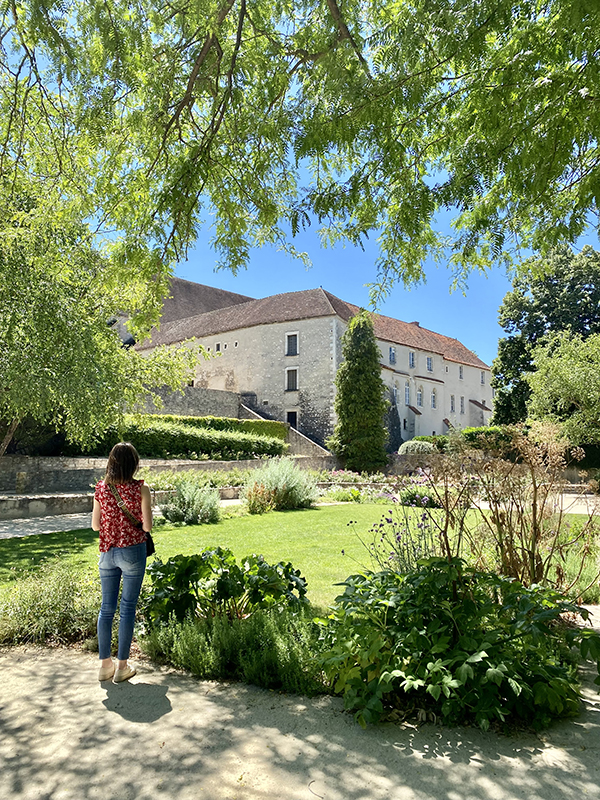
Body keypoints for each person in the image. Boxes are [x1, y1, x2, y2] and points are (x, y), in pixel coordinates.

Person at [91, 442, 152, 683]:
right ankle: (122, 667)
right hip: (132, 552)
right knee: (127, 608)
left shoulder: (101, 488)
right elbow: (147, 526)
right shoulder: (141, 489)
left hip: (107, 552)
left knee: (106, 609)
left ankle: (105, 665)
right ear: (134, 464)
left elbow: (95, 525)